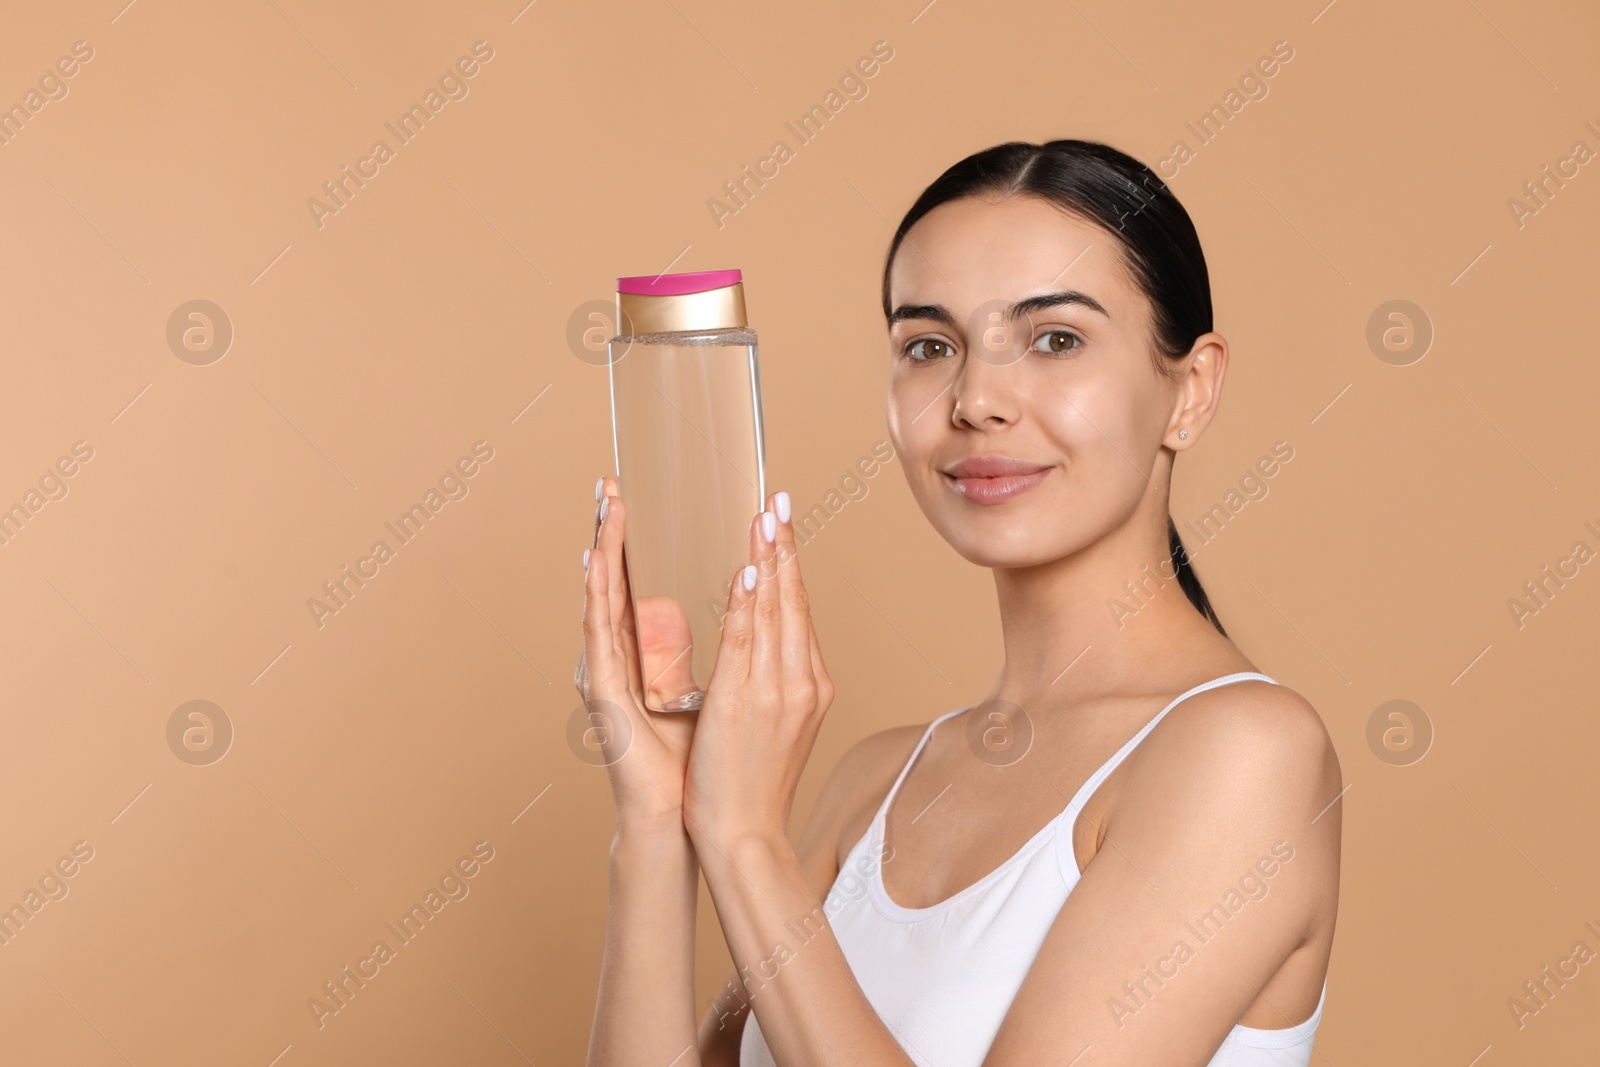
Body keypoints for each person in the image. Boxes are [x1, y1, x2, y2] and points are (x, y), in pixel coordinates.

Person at [575, 138, 1343, 1066]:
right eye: (930, 346)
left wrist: (743, 840)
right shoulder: (872, 786)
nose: (977, 397)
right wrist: (662, 821)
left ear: (1192, 387)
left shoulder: (1246, 755)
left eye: (1055, 338)